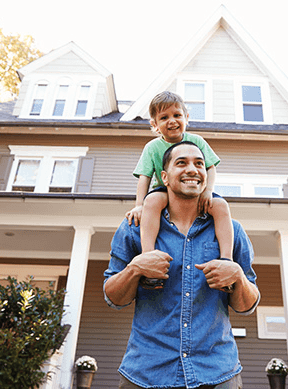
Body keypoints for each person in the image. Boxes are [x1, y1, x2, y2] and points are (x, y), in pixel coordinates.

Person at [104, 141, 260, 389]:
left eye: (199, 163)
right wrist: (136, 268)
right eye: (182, 163)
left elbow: (247, 305)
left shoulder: (230, 230)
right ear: (164, 177)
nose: (193, 169)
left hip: (217, 373)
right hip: (146, 373)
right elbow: (114, 297)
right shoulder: (135, 228)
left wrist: (238, 277)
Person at [125, 91, 234, 288]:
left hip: (196, 190)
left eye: (177, 115)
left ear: (186, 118)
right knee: (153, 201)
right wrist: (139, 205)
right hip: (164, 190)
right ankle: (148, 258)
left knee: (220, 206)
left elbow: (210, 167)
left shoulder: (197, 141)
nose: (172, 121)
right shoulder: (152, 147)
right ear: (154, 125)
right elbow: (144, 177)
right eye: (164, 117)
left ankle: (226, 261)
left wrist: (208, 190)